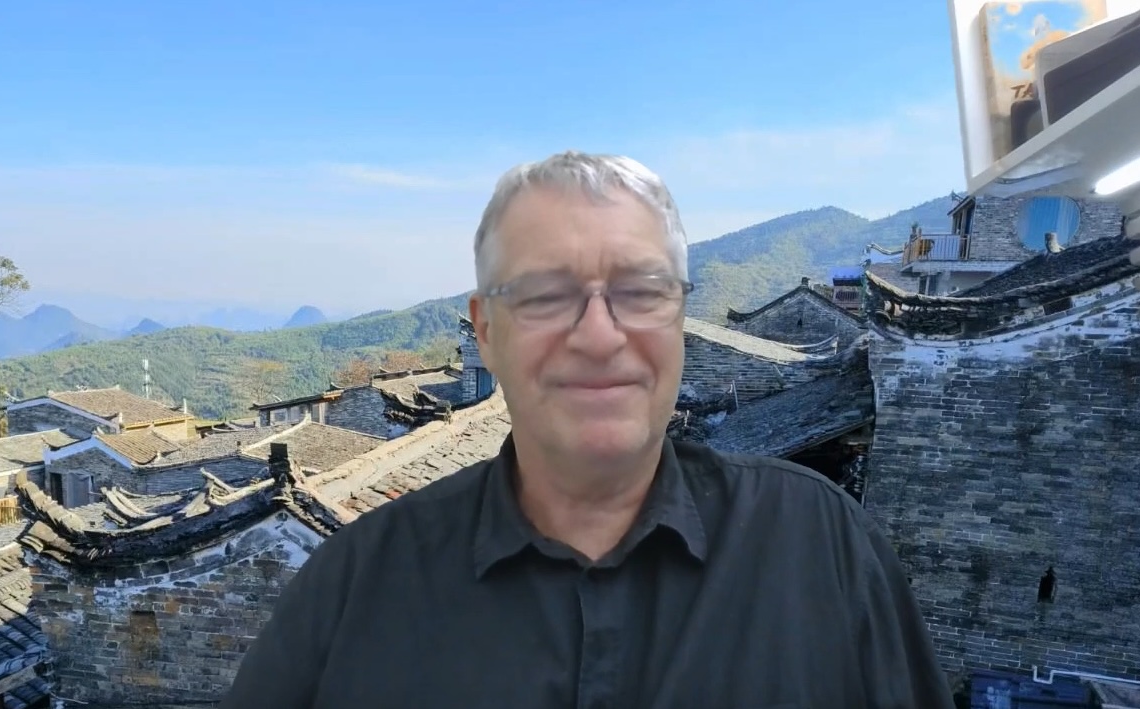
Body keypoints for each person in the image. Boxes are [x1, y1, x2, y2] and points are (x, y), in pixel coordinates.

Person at [220, 151, 956, 708]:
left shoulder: (822, 549)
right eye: (546, 294)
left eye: (641, 291)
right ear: (485, 331)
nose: (600, 336)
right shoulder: (355, 587)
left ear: (679, 314)